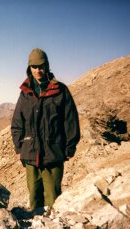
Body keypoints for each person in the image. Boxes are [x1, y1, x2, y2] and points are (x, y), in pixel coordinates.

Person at [11, 48, 80, 213]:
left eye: (41, 66)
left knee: (53, 199)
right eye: (34, 67)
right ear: (29, 68)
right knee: (34, 197)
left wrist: (69, 147)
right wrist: (19, 147)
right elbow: (17, 123)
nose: (38, 70)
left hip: (53, 154)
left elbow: (70, 121)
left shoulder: (60, 91)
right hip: (30, 155)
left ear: (47, 66)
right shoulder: (25, 93)